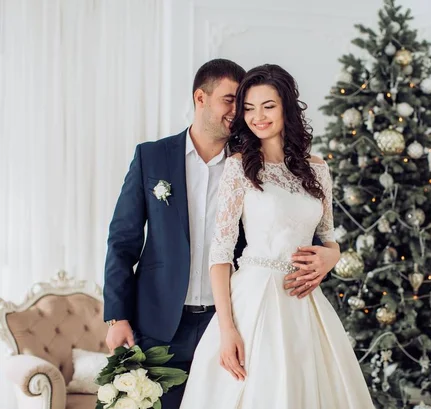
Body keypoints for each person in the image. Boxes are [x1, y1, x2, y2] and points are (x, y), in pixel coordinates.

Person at [103, 59, 339, 408]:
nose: (240, 111)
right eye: (233, 100)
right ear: (201, 98)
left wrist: (333, 254)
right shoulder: (151, 157)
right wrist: (117, 316)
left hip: (234, 317)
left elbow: (297, 231)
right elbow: (123, 242)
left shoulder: (249, 162)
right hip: (161, 321)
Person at [179, 64, 375, 409]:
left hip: (304, 302)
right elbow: (220, 255)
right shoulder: (238, 168)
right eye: (249, 108)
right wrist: (227, 330)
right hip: (254, 299)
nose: (258, 117)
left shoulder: (317, 168)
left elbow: (327, 236)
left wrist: (332, 255)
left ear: (286, 106)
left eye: (268, 106)